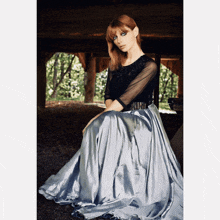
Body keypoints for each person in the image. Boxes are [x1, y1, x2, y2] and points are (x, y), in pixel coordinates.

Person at [39, 15, 183, 219]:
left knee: (103, 122)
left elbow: (124, 100)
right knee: (105, 123)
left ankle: (118, 190)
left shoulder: (149, 66)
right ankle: (97, 188)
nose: (120, 40)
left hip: (141, 120)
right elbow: (109, 97)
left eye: (123, 33)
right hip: (116, 115)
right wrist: (105, 118)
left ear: (136, 31)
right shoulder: (115, 63)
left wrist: (96, 119)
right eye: (114, 37)